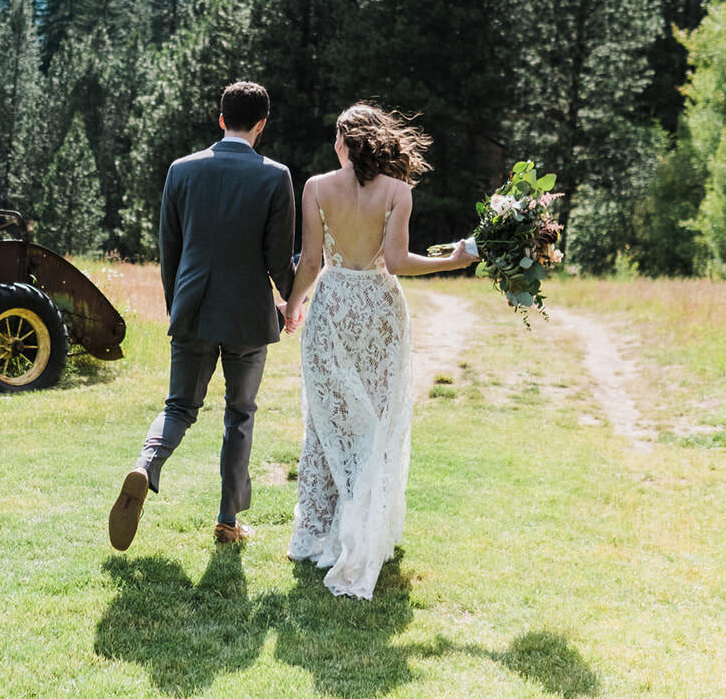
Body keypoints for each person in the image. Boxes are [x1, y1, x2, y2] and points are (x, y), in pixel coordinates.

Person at [282, 104, 478, 598]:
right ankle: (362, 526)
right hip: (379, 311)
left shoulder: (315, 188)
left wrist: (292, 305)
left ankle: (317, 533)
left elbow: (309, 260)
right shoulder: (398, 192)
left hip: (332, 307)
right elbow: (395, 262)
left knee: (326, 419)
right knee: (377, 418)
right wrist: (451, 261)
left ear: (345, 141)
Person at [108, 80, 297, 550]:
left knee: (179, 406)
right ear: (261, 125)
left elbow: (168, 250)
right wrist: (291, 304)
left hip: (191, 307)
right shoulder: (275, 176)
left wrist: (179, 308)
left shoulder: (181, 170)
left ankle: (146, 465)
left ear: (220, 120)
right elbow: (278, 257)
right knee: (240, 414)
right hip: (250, 316)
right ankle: (228, 521)